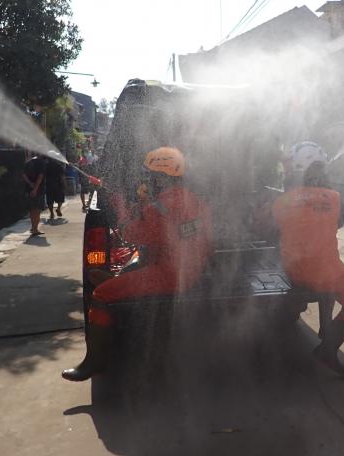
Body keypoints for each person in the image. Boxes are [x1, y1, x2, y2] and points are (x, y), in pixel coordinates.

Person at [62, 146, 213, 381]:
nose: (147, 180)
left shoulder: (158, 207)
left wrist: (123, 205)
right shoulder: (195, 200)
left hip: (168, 275)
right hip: (191, 269)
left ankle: (93, 363)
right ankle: (122, 284)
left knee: (101, 293)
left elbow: (132, 235)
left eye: (151, 175)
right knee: (114, 274)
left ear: (160, 177)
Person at [272, 142, 344, 377]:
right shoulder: (335, 199)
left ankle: (325, 330)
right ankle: (328, 348)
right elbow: (338, 223)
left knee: (328, 276)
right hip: (326, 272)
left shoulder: (282, 201)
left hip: (293, 269)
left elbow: (273, 228)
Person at [22, 154, 46, 235]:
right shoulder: (41, 162)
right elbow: (40, 176)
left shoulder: (28, 162)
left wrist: (30, 184)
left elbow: (24, 175)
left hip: (28, 189)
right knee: (37, 210)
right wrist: (35, 188)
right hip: (38, 190)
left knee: (32, 209)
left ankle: (33, 228)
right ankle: (35, 229)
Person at [44, 158, 66, 222]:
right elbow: (62, 177)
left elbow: (43, 176)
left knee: (50, 200)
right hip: (58, 185)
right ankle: (58, 209)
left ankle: (51, 213)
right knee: (60, 198)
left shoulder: (46, 166)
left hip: (49, 185)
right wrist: (65, 185)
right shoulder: (59, 166)